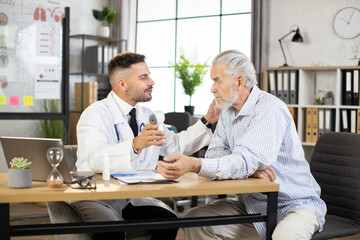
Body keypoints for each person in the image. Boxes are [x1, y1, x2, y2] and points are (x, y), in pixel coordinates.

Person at [157, 50, 327, 240]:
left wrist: (196, 164)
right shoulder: (227, 112)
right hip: (251, 205)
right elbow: (215, 154)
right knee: (196, 221)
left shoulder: (269, 109)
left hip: (293, 205)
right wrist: (249, 169)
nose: (212, 89)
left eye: (217, 80)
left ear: (239, 81)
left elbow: (244, 161)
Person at [74, 51, 220, 240]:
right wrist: (135, 145)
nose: (151, 82)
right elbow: (94, 157)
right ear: (122, 84)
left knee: (169, 222)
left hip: (131, 198)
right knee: (112, 230)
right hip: (98, 197)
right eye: (144, 77)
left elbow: (175, 146)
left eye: (149, 75)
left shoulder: (146, 114)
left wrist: (208, 120)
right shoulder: (94, 114)